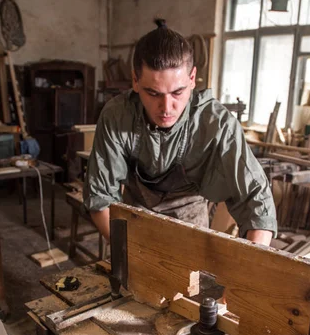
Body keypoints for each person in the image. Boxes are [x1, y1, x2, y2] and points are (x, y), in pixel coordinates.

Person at [84, 19, 277, 246]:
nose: (166, 108)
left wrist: (253, 262)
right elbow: (100, 198)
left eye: (178, 92)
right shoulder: (117, 116)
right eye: (153, 93)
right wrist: (125, 251)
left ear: (192, 79)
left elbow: (256, 200)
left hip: (191, 221)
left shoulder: (217, 124)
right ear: (135, 81)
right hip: (134, 220)